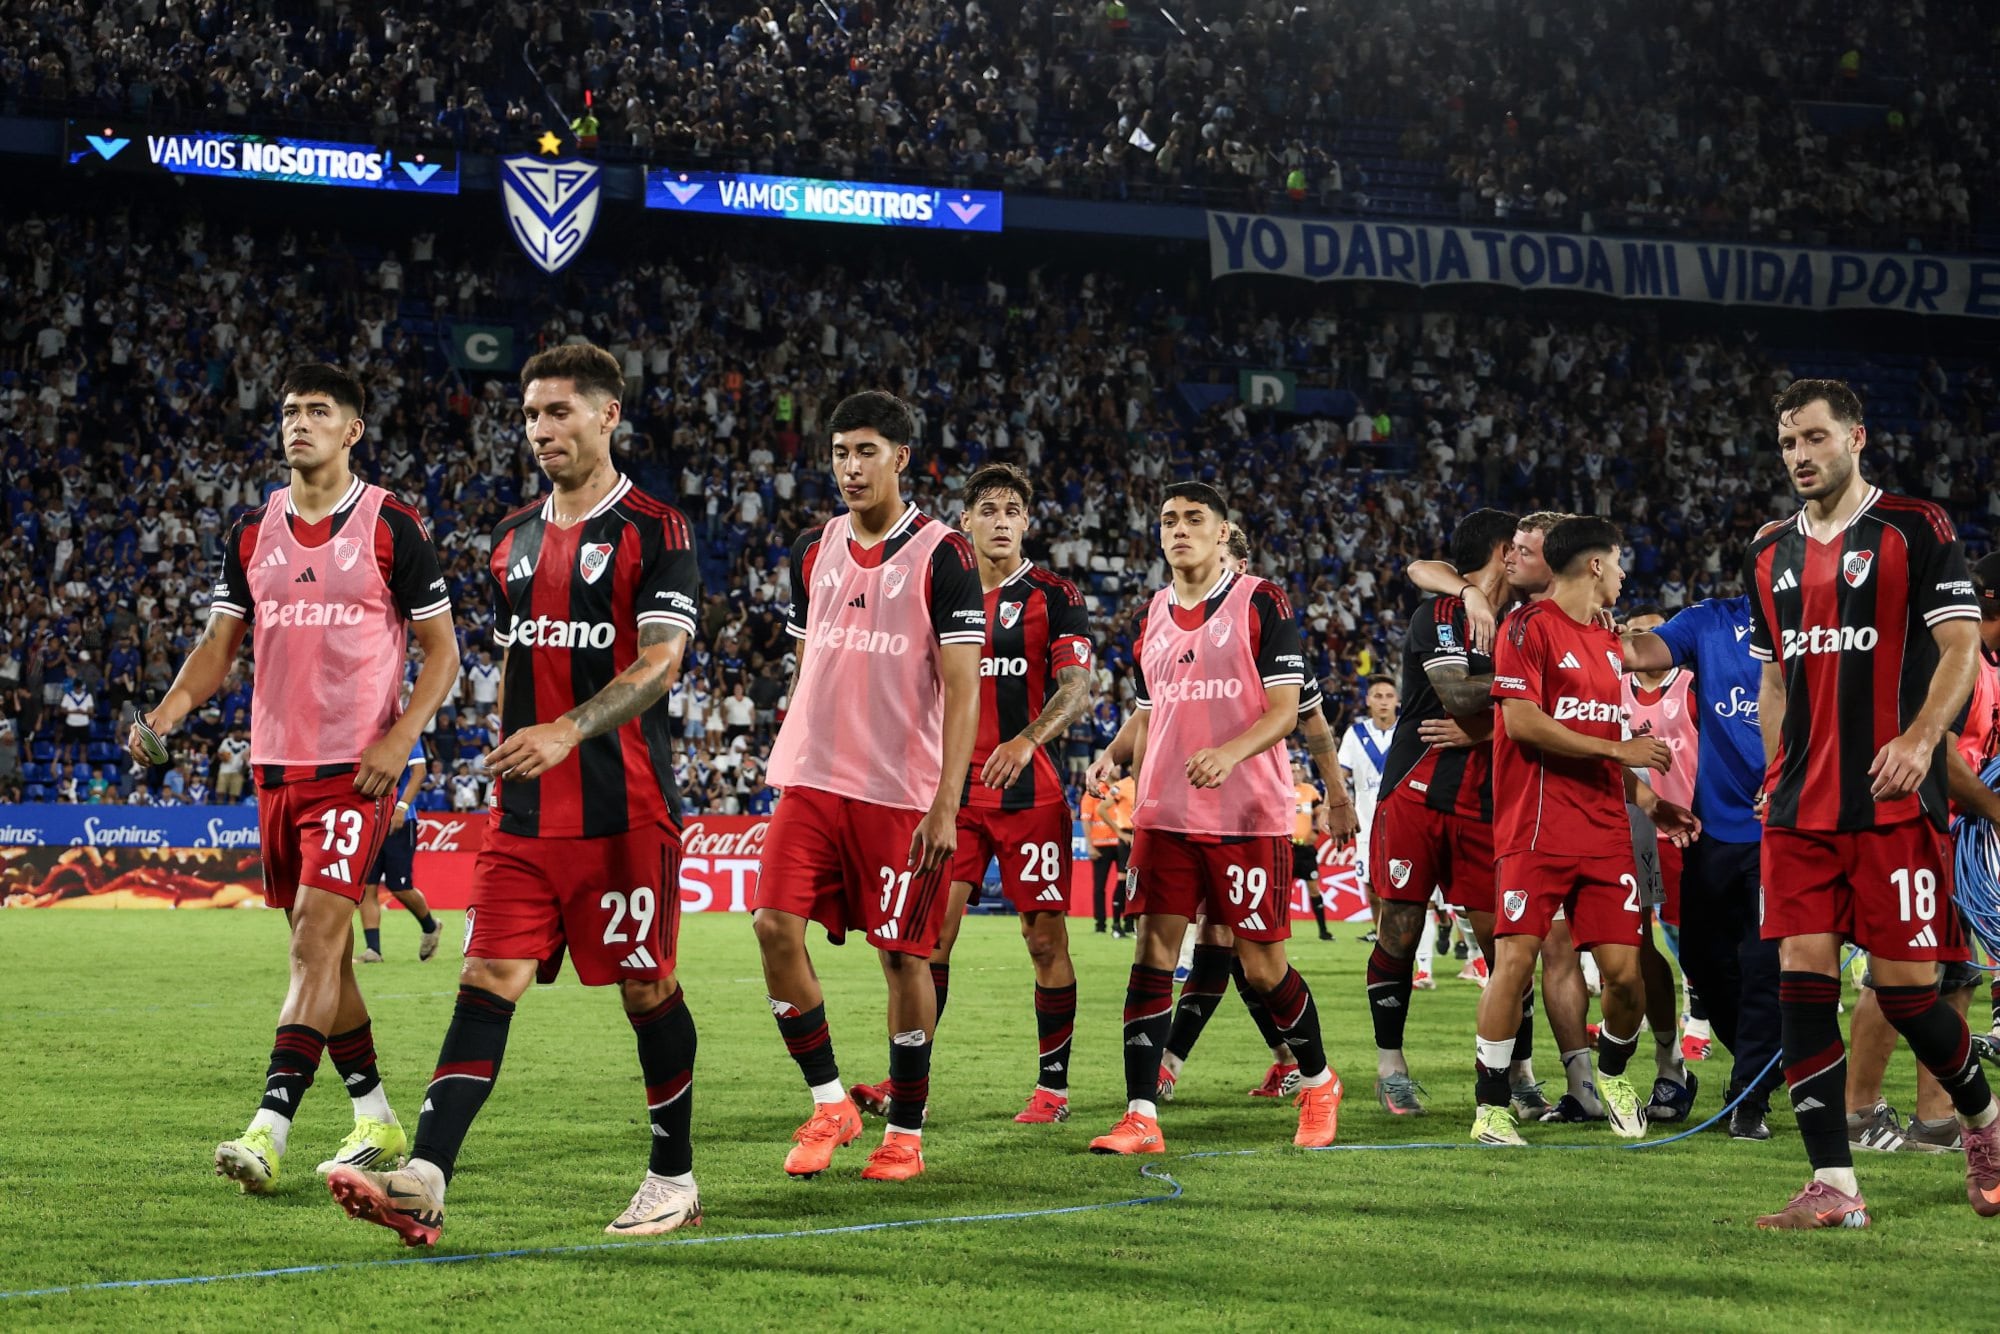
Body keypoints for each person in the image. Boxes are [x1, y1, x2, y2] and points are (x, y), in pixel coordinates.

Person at [327, 343, 704, 1244]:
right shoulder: (510, 538)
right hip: (524, 819)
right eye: (532, 414)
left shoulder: (657, 529)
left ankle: (673, 1178)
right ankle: (426, 1173)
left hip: (622, 811)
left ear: (608, 415)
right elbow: (514, 666)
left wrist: (568, 730)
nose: (541, 430)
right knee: (486, 977)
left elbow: (661, 661)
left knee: (648, 992)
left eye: (560, 412)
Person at [131, 364, 460, 1194]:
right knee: (326, 958)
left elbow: (442, 654)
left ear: (353, 430)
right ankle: (377, 1115)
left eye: (318, 412)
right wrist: (167, 716)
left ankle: (269, 1127)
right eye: (289, 411)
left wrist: (400, 740)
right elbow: (218, 646)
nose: (298, 423)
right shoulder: (252, 530)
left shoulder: (393, 525)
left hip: (355, 775)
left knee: (316, 940)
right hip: (274, 770)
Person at [1745, 379, 1999, 1229]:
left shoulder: (1915, 528)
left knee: (1909, 999)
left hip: (1893, 803)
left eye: (1814, 438)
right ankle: (1835, 1187)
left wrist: (1924, 737)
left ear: (1856, 438)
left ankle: (1986, 1125)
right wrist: (1779, 766)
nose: (1799, 457)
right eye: (1787, 444)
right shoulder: (1767, 550)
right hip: (1800, 812)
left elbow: (1961, 646)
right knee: (1800, 983)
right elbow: (1775, 673)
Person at [751, 390, 984, 1183]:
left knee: (902, 961)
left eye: (867, 452)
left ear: (902, 459)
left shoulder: (943, 554)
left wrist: (947, 804)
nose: (851, 467)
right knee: (773, 928)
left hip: (901, 797)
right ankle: (830, 1101)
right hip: (811, 782)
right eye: (841, 452)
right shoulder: (812, 549)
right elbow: (808, 667)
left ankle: (906, 1136)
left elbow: (962, 690)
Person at [1086, 482, 1343, 1154]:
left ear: (1223, 531)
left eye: (1194, 520)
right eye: (1168, 520)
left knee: (1261, 968)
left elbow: (1287, 710)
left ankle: (1318, 1081)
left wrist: (1228, 754)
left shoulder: (1261, 601)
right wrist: (1115, 753)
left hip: (1246, 815)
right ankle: (1141, 1113)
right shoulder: (1154, 613)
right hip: (1165, 811)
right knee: (1152, 952)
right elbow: (1150, 708)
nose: (1179, 530)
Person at [848, 464, 1094, 1125]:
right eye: (989, 508)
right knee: (928, 941)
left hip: (1028, 796)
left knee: (1044, 941)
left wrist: (1028, 740)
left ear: (1028, 523)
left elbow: (1077, 688)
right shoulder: (936, 592)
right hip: (949, 797)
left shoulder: (1055, 594)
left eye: (1014, 508)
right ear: (966, 523)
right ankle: (909, 1085)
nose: (1003, 519)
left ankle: (1053, 1090)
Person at [1471, 517, 1694, 1145]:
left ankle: (1616, 1073)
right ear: (1597, 565)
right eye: (1620, 561)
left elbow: (1601, 739)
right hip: (1537, 827)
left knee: (1625, 973)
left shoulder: (1605, 640)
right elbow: (1521, 723)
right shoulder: (1527, 627)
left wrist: (1648, 801)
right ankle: (1490, 1105)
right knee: (1513, 964)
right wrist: (1620, 751)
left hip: (1605, 832)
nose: (1625, 575)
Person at [1370, 509, 1535, 1118]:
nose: (1525, 556)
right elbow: (1458, 694)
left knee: (1507, 946)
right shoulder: (1438, 613)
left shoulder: (1523, 622)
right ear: (1500, 550)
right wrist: (1526, 691)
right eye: (1517, 547)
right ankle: (1391, 1067)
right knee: (1401, 930)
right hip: (1415, 792)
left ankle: (1517, 1072)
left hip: (1487, 804)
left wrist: (1489, 729)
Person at [1621, 593, 1785, 1139]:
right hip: (1715, 829)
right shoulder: (1711, 621)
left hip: (1781, 827)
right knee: (1702, 960)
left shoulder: (1820, 620)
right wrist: (1590, 635)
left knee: (1762, 964)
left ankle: (1749, 1096)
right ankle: (1764, 1061)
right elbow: (1644, 650)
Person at [1618, 607, 1701, 1125]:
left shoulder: (1694, 681)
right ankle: (1669, 1065)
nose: (1639, 639)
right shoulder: (1613, 685)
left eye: (1651, 631)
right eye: (1632, 632)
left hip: (1696, 828)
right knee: (1637, 946)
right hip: (1635, 830)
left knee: (1707, 950)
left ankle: (1753, 1063)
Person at [355, 737, 444, 963]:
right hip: (369, 819)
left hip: (400, 819)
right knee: (367, 886)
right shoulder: (365, 732)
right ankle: (373, 950)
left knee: (399, 887)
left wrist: (402, 807)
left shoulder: (405, 731)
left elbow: (419, 772)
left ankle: (430, 926)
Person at [1337, 675, 1397, 927]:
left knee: (1402, 890)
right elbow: (1341, 773)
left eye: (1389, 696)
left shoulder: (1407, 731)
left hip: (1401, 824)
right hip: (1367, 825)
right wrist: (1332, 804)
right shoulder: (1355, 733)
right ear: (1367, 701)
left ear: (1398, 700)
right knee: (1372, 889)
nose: (1383, 702)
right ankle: (1383, 944)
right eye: (1378, 696)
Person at [1082, 773, 1135, 934]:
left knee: (1126, 883)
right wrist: (1090, 845)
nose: (1117, 768)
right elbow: (1086, 818)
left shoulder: (1120, 786)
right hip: (1101, 843)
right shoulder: (1097, 790)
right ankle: (1100, 924)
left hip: (1120, 842)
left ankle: (1127, 923)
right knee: (1100, 886)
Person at [1290, 759, 1332, 941]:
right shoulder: (1279, 788)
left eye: (1298, 771)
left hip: (1305, 850)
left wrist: (1315, 831)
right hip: (1286, 848)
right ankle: (1278, 930)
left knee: (1314, 889)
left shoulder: (1310, 791)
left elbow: (1320, 813)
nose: (1295, 774)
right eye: (1291, 771)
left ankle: (1323, 931)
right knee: (1281, 891)